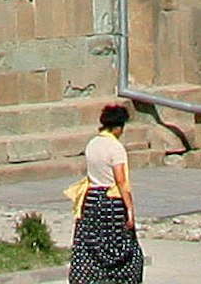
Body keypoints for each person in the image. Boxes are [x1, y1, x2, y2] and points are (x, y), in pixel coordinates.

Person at [66, 99, 140, 284]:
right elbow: (121, 181)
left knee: (91, 245)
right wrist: (130, 210)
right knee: (121, 248)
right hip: (111, 202)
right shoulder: (115, 148)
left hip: (90, 199)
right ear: (118, 127)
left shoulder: (92, 144)